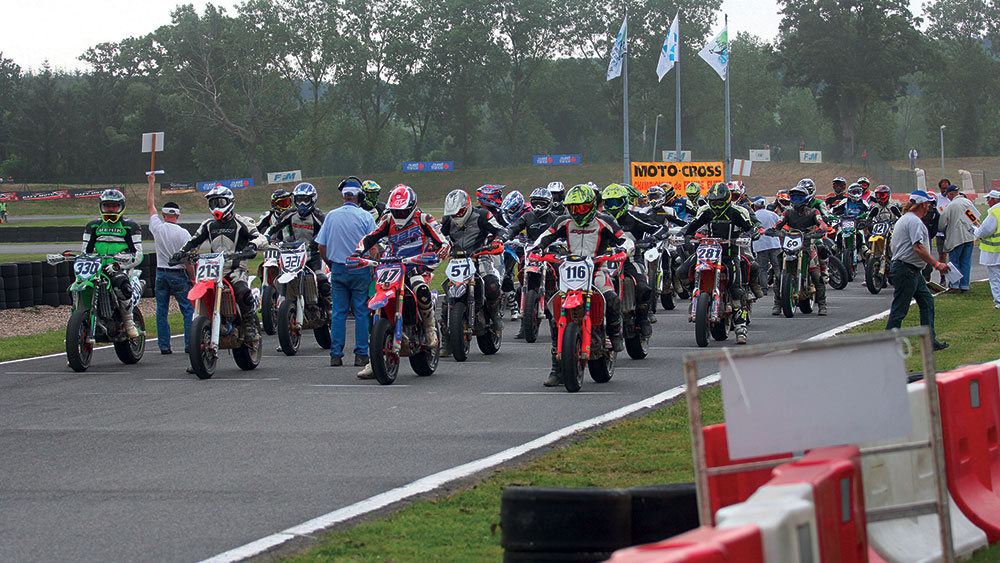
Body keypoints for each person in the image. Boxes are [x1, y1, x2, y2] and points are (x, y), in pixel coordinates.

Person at [530, 184, 631, 386]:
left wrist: (622, 251)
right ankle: (556, 368)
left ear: (592, 205)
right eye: (573, 208)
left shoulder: (605, 221)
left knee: (610, 299)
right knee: (554, 311)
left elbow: (624, 240)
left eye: (582, 208)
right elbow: (545, 236)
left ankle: (614, 335)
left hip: (597, 270)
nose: (577, 212)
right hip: (570, 272)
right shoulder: (563, 221)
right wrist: (537, 248)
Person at [355, 184, 448, 349]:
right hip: (392, 266)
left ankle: (429, 329)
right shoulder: (387, 219)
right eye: (396, 210)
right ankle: (374, 355)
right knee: (374, 295)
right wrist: (357, 253)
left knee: (421, 289)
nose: (399, 214)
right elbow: (370, 238)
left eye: (403, 211)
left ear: (412, 207)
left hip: (417, 265)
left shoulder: (424, 219)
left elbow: (444, 243)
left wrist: (434, 259)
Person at [172, 187, 266, 343]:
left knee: (242, 291)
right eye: (212, 203)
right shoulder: (208, 225)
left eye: (220, 202)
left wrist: (253, 246)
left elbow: (261, 238)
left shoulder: (242, 222)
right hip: (213, 271)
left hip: (235, 270)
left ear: (230, 202)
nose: (216, 206)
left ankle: (249, 325)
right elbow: (193, 242)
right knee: (198, 293)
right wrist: (181, 253)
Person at [679, 183, 756, 343]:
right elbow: (691, 226)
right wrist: (682, 234)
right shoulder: (705, 211)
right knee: (682, 271)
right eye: (714, 203)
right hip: (707, 251)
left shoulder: (738, 212)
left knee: (736, 289)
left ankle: (741, 327)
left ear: (727, 200)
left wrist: (747, 236)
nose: (717, 206)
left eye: (720, 202)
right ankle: (696, 293)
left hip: (729, 253)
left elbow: (751, 228)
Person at [316, 182, 377, 370]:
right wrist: (374, 266)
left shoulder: (331, 216)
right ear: (359, 197)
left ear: (344, 197)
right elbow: (374, 247)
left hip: (338, 267)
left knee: (339, 313)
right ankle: (360, 354)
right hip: (360, 267)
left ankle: (336, 354)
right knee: (361, 311)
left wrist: (330, 263)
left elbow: (321, 247)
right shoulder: (365, 216)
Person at [439, 189, 507, 351]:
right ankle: (446, 339)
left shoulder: (483, 215)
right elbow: (437, 236)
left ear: (467, 207)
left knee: (491, 284)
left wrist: (498, 240)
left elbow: (501, 229)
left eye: (459, 212)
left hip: (480, 255)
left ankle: (495, 315)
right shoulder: (447, 221)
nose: (456, 216)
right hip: (457, 260)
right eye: (453, 213)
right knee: (448, 291)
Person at [884, 190, 951, 351]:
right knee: (900, 309)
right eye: (928, 204)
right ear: (923, 205)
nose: (929, 208)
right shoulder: (914, 222)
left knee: (927, 301)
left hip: (912, 270)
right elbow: (918, 247)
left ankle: (929, 340)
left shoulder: (906, 219)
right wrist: (936, 264)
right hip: (906, 269)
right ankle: (887, 342)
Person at [601, 183, 666, 338]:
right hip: (604, 260)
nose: (613, 206)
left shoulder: (635, 217)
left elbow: (660, 228)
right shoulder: (600, 220)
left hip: (630, 259)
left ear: (624, 201)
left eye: (616, 202)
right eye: (609, 203)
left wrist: (652, 238)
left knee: (643, 286)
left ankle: (643, 318)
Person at [83, 189, 144, 338]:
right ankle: (81, 316)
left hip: (120, 266)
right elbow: (86, 251)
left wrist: (120, 263)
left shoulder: (130, 226)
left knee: (120, 284)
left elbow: (138, 254)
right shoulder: (93, 226)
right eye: (107, 205)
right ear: (102, 206)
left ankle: (128, 321)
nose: (110, 209)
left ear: (120, 207)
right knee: (80, 283)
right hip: (98, 266)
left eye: (114, 206)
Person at [146, 173, 193, 354]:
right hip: (178, 273)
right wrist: (193, 277)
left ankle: (164, 346)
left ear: (164, 214)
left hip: (160, 272)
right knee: (187, 310)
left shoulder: (157, 227)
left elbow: (150, 206)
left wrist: (151, 183)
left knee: (161, 311)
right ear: (178, 216)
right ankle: (189, 345)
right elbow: (188, 259)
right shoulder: (184, 233)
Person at [766, 185, 830, 316]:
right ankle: (777, 303)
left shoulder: (813, 212)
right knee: (777, 274)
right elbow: (778, 223)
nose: (796, 202)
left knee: (816, 275)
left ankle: (822, 304)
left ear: (805, 199)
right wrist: (772, 230)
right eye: (793, 198)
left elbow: (822, 223)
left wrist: (820, 230)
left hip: (807, 244)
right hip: (789, 245)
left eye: (799, 199)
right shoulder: (788, 212)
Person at [506, 187, 560, 338]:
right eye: (535, 203)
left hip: (550, 251)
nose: (538, 207)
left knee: (558, 272)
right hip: (531, 252)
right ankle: (525, 326)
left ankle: (555, 325)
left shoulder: (555, 218)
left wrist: (562, 241)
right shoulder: (527, 217)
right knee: (521, 271)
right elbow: (515, 228)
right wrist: (507, 235)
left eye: (542, 204)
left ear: (549, 204)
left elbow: (562, 231)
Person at [267, 182, 331, 306]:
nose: (302, 204)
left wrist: (316, 241)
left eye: (305, 200)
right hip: (292, 255)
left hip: (313, 255)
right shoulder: (289, 214)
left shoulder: (318, 216)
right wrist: (266, 238)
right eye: (299, 200)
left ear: (312, 199)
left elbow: (327, 232)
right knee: (280, 278)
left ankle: (329, 306)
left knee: (322, 281)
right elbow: (273, 228)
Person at [937, 183, 980, 293]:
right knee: (966, 262)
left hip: (955, 238)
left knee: (954, 262)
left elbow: (941, 224)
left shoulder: (950, 206)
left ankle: (954, 285)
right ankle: (965, 285)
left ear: (951, 194)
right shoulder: (968, 203)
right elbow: (974, 219)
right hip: (970, 236)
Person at [974, 190, 1000, 309]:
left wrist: (975, 230)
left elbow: (985, 231)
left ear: (994, 200)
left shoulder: (994, 213)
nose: (987, 201)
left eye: (988, 199)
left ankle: (999, 302)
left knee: (995, 278)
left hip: (994, 251)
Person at [751, 197, 781, 298]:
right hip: (774, 244)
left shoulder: (753, 216)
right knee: (777, 267)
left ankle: (764, 289)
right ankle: (780, 286)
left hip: (760, 245)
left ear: (755, 206)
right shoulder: (773, 214)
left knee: (762, 268)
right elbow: (779, 225)